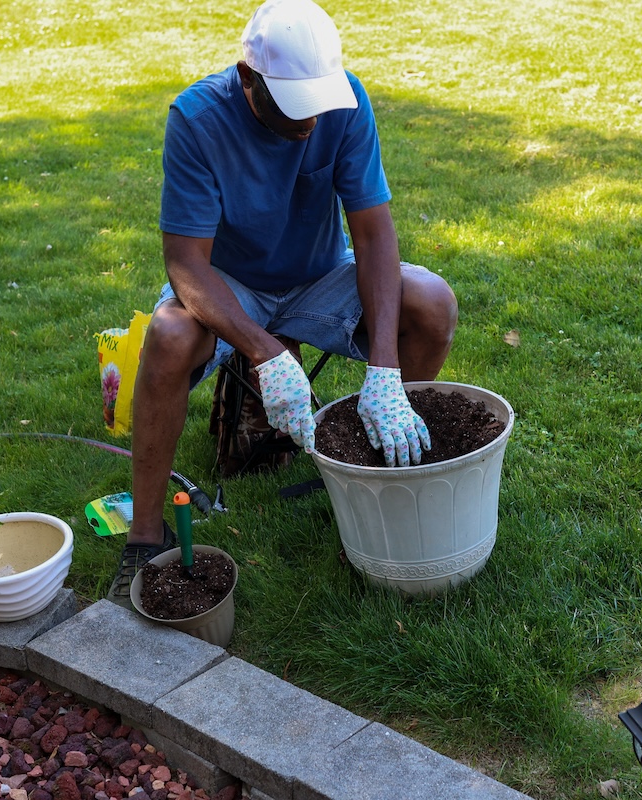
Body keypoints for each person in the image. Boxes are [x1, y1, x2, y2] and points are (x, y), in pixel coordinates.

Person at [109, 0, 458, 605]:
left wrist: (384, 372)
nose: (310, 123)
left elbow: (373, 232)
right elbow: (186, 264)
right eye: (294, 107)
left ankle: (371, 469)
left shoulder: (344, 102)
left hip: (319, 275)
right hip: (228, 285)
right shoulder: (197, 118)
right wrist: (265, 352)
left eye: (318, 104)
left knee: (431, 300)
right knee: (167, 339)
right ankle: (143, 532)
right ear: (248, 80)